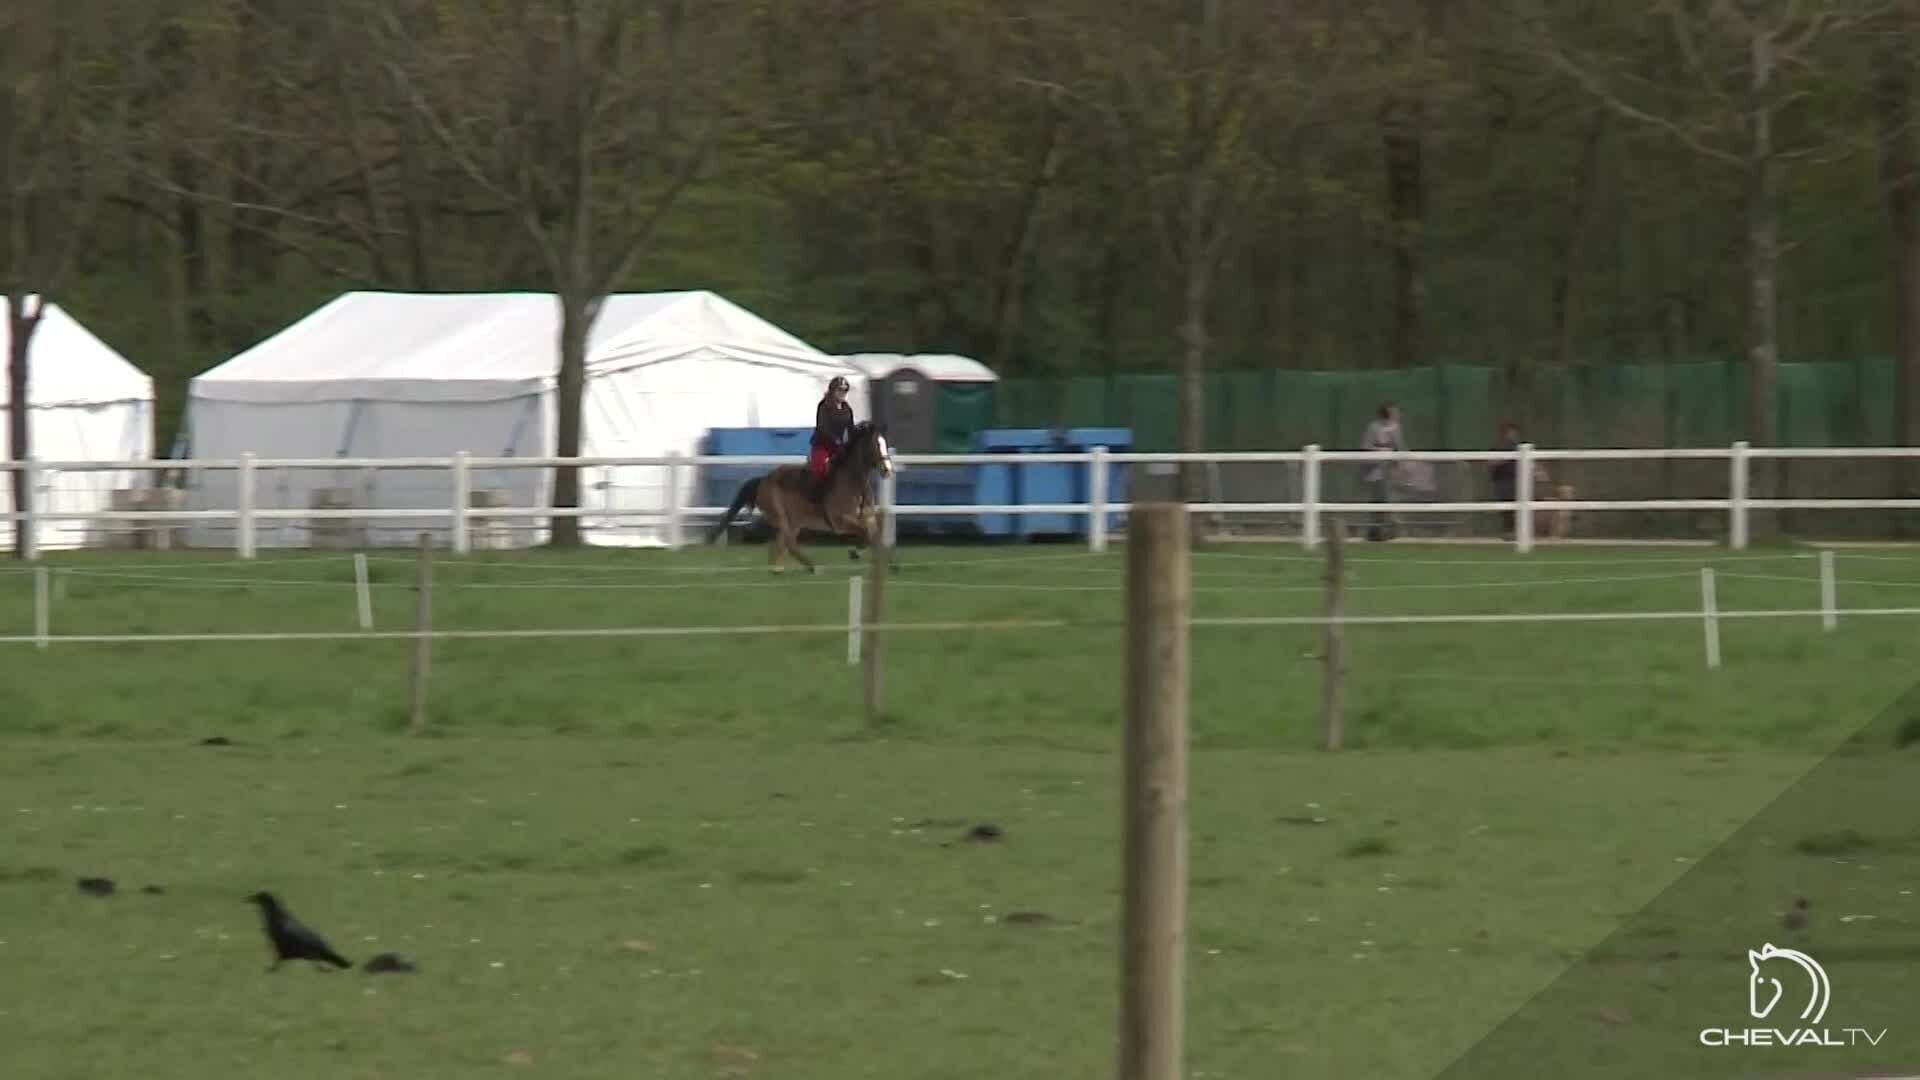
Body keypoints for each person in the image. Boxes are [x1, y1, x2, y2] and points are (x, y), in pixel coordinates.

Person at [808, 375, 856, 511]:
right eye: (840, 391)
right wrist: (836, 441)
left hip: (839, 447)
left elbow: (850, 428)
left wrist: (854, 442)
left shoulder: (847, 408)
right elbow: (822, 428)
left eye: (844, 391)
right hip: (822, 445)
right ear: (832, 391)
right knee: (820, 468)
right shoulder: (823, 406)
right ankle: (817, 499)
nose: (842, 394)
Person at [1360, 401, 1404, 541]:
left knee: (1390, 498)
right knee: (1378, 499)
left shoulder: (1396, 428)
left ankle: (1389, 529)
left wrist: (1400, 461)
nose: (1397, 415)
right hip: (1375, 470)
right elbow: (1365, 447)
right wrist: (1381, 451)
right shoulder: (1373, 428)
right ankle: (1376, 530)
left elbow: (1400, 447)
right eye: (1394, 412)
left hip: (1390, 471)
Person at [1490, 421, 1520, 538]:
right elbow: (1492, 462)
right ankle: (1508, 531)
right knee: (1506, 506)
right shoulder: (1499, 446)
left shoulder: (1517, 446)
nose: (1512, 434)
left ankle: (1513, 532)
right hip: (1503, 480)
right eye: (1510, 432)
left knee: (1514, 507)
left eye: (1514, 432)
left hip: (1515, 480)